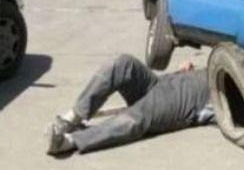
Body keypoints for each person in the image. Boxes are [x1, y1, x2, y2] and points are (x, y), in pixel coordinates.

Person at [46, 54, 214, 156]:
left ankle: (68, 142)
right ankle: (72, 118)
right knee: (123, 64)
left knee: (134, 118)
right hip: (162, 82)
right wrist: (184, 71)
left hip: (181, 102)